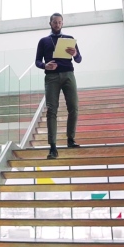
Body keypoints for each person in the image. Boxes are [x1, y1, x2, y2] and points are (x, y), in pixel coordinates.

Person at [35, 13, 82, 159]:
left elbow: (79, 59)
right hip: (51, 77)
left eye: (60, 22)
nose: (57, 24)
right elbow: (37, 61)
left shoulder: (69, 39)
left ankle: (70, 139)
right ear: (50, 23)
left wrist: (74, 54)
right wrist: (45, 65)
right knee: (51, 110)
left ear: (62, 23)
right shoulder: (43, 41)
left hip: (68, 74)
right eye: (55, 22)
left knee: (73, 107)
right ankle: (53, 147)